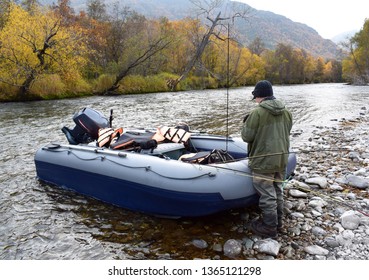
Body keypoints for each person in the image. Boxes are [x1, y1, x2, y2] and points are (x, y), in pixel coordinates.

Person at [241, 80, 293, 238]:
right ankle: (279, 222)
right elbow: (288, 129)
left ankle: (270, 227)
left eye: (255, 97)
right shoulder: (286, 111)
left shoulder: (257, 113)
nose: (255, 100)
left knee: (267, 194)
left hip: (264, 161)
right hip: (282, 159)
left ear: (259, 96)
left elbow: (246, 136)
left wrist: (246, 123)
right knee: (278, 190)